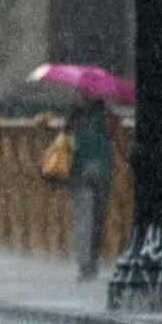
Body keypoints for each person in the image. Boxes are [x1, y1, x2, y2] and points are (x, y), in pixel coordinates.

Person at [67, 97, 114, 281]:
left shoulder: (78, 117)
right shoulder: (103, 118)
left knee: (85, 221)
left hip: (83, 174)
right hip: (99, 173)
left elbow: (69, 142)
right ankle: (90, 262)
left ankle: (86, 263)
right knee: (95, 222)